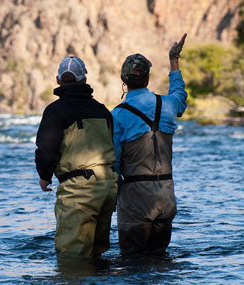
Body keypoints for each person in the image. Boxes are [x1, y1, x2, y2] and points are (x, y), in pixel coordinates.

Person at [111, 34, 188, 255]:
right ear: (147, 78)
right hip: (166, 195)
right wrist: (174, 61)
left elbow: (113, 163)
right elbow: (180, 94)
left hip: (135, 198)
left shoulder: (117, 115)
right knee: (160, 261)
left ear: (124, 81)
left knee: (132, 264)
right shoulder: (168, 104)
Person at [35, 56, 118, 258]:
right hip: (108, 186)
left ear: (58, 80)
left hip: (79, 191)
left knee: (72, 259)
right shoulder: (102, 109)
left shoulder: (55, 110)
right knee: (96, 254)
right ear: (84, 80)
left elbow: (47, 148)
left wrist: (44, 176)